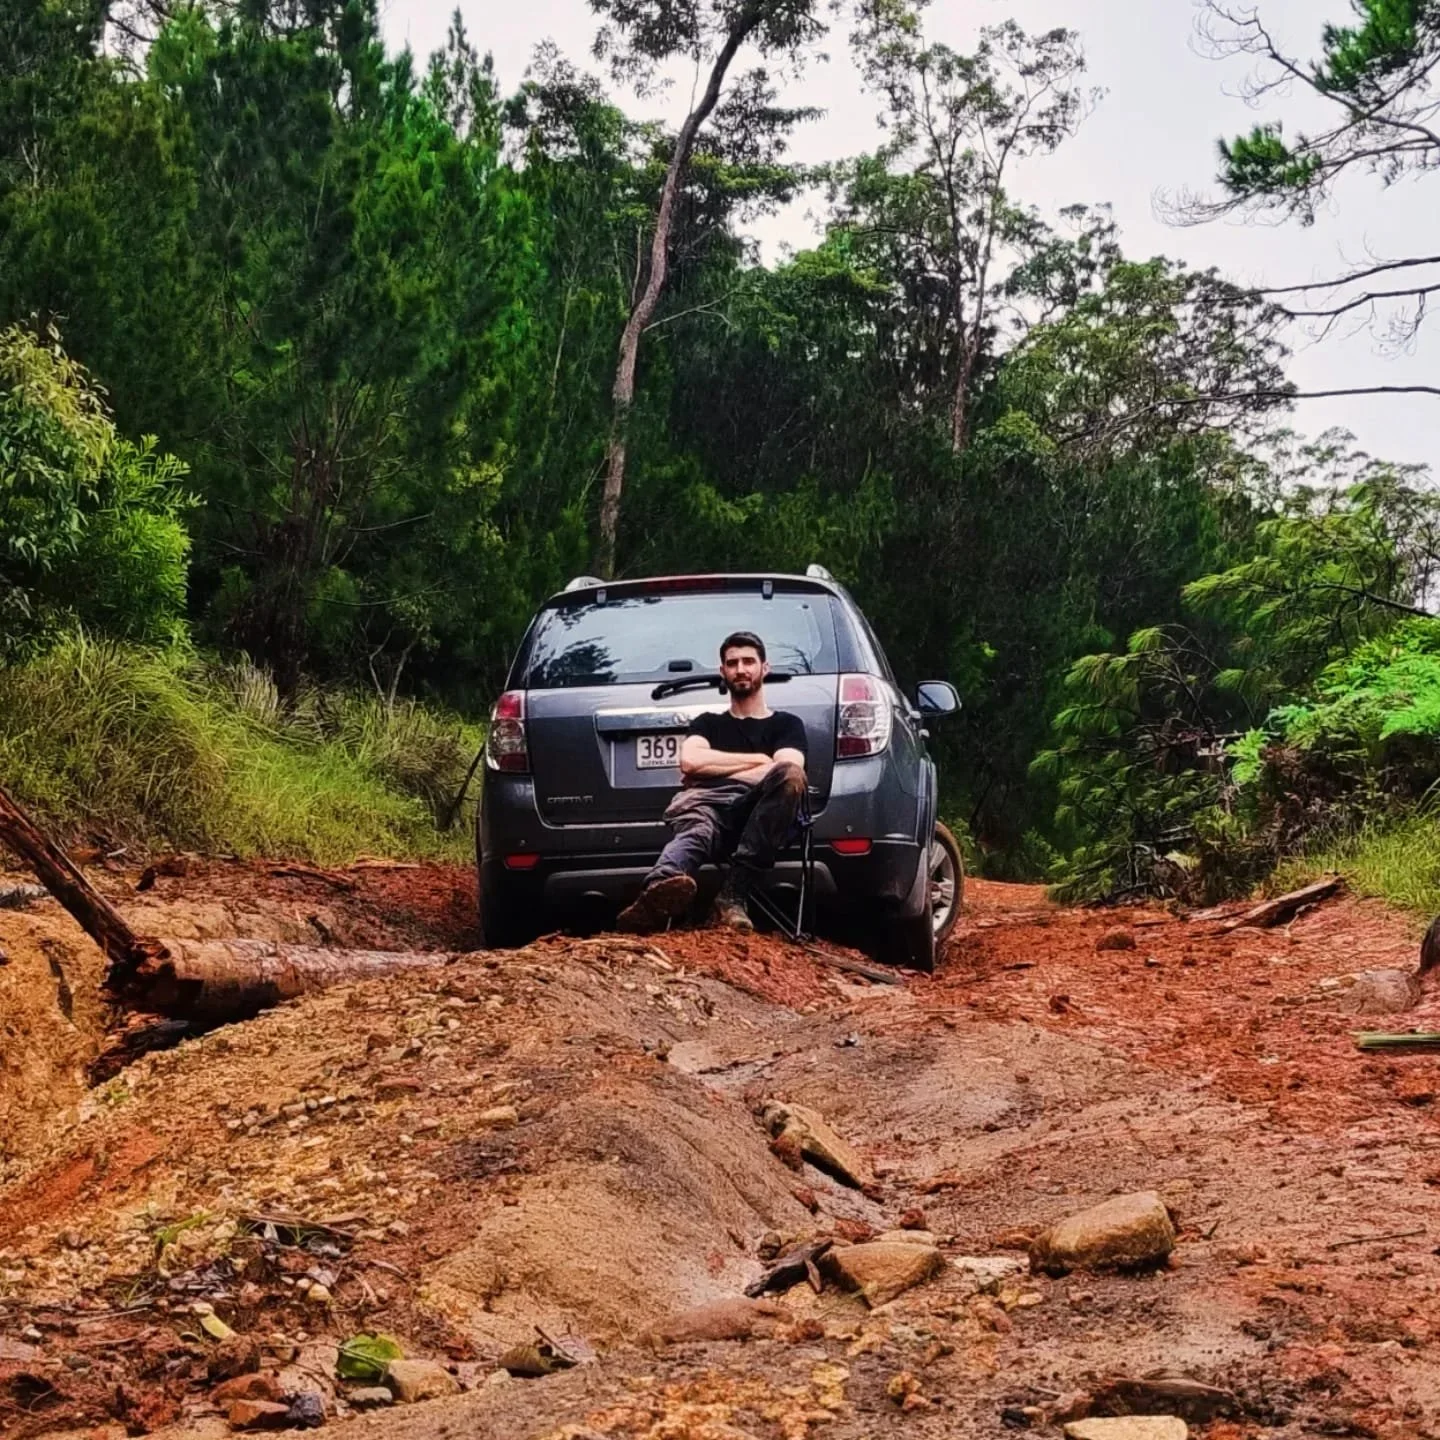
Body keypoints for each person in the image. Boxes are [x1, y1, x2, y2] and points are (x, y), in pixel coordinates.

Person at [616, 631, 808, 933]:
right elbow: (691, 762)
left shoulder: (786, 725)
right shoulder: (708, 722)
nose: (740, 669)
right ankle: (656, 893)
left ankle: (732, 896)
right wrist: (759, 761)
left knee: (790, 778)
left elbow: (788, 770)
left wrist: (713, 769)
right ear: (723, 672)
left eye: (748, 661)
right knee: (698, 827)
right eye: (732, 663)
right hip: (707, 808)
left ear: (764, 668)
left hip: (755, 814)